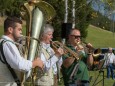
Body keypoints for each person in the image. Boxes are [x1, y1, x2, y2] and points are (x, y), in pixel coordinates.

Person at [0, 16, 44, 86]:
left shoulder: (3, 42)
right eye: (19, 29)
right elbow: (19, 64)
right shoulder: (7, 43)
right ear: (10, 30)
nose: (21, 32)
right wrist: (34, 63)